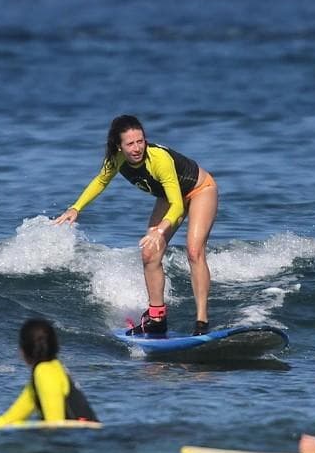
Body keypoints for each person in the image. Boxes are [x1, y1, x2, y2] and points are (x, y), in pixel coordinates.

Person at [53, 114, 218, 336]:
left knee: (194, 251)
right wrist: (76, 208)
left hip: (199, 191)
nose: (137, 147)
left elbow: (177, 206)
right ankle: (157, 318)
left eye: (140, 141)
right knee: (150, 253)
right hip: (168, 196)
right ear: (118, 146)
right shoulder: (116, 159)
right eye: (130, 143)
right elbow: (101, 181)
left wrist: (160, 231)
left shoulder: (158, 159)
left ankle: (201, 323)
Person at [0, 318, 98, 429]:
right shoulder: (50, 369)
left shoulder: (45, 372)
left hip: (83, 446)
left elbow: (55, 427)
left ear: (24, 349)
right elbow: (9, 419)